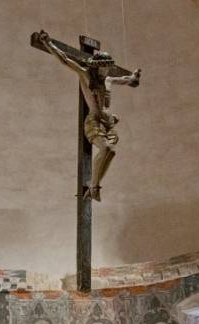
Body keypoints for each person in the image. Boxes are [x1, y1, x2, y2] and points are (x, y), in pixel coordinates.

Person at [38, 29, 141, 202]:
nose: (106, 70)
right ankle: (93, 186)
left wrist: (133, 77)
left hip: (108, 123)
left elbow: (127, 79)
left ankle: (93, 185)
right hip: (95, 121)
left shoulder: (108, 80)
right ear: (97, 66)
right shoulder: (86, 76)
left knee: (112, 151)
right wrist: (48, 44)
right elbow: (65, 60)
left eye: (108, 67)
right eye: (104, 67)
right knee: (106, 148)